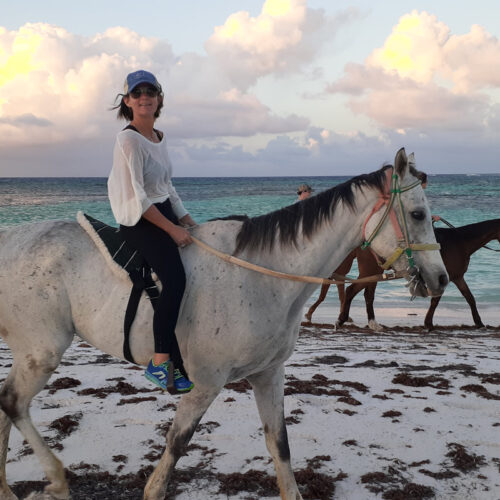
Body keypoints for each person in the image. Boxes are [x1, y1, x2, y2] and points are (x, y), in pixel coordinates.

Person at [108, 70, 195, 393]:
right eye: (137, 93)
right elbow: (138, 196)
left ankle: (181, 361)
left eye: (151, 92)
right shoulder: (127, 140)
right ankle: (159, 362)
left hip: (163, 212)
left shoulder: (160, 136)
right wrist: (171, 229)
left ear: (159, 99)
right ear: (128, 101)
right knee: (175, 279)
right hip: (140, 219)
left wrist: (186, 219)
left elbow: (165, 185)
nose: (145, 97)